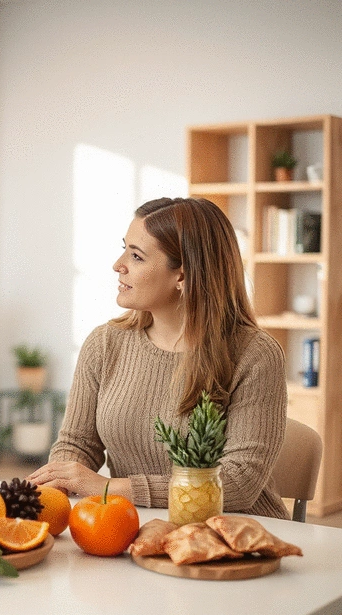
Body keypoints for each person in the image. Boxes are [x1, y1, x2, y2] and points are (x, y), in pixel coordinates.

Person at [28, 197, 290, 519]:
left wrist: (110, 488)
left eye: (136, 256)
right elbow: (79, 444)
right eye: (124, 248)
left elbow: (238, 482)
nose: (118, 264)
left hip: (238, 533)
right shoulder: (105, 344)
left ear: (183, 275)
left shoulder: (254, 355)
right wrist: (57, 483)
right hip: (137, 528)